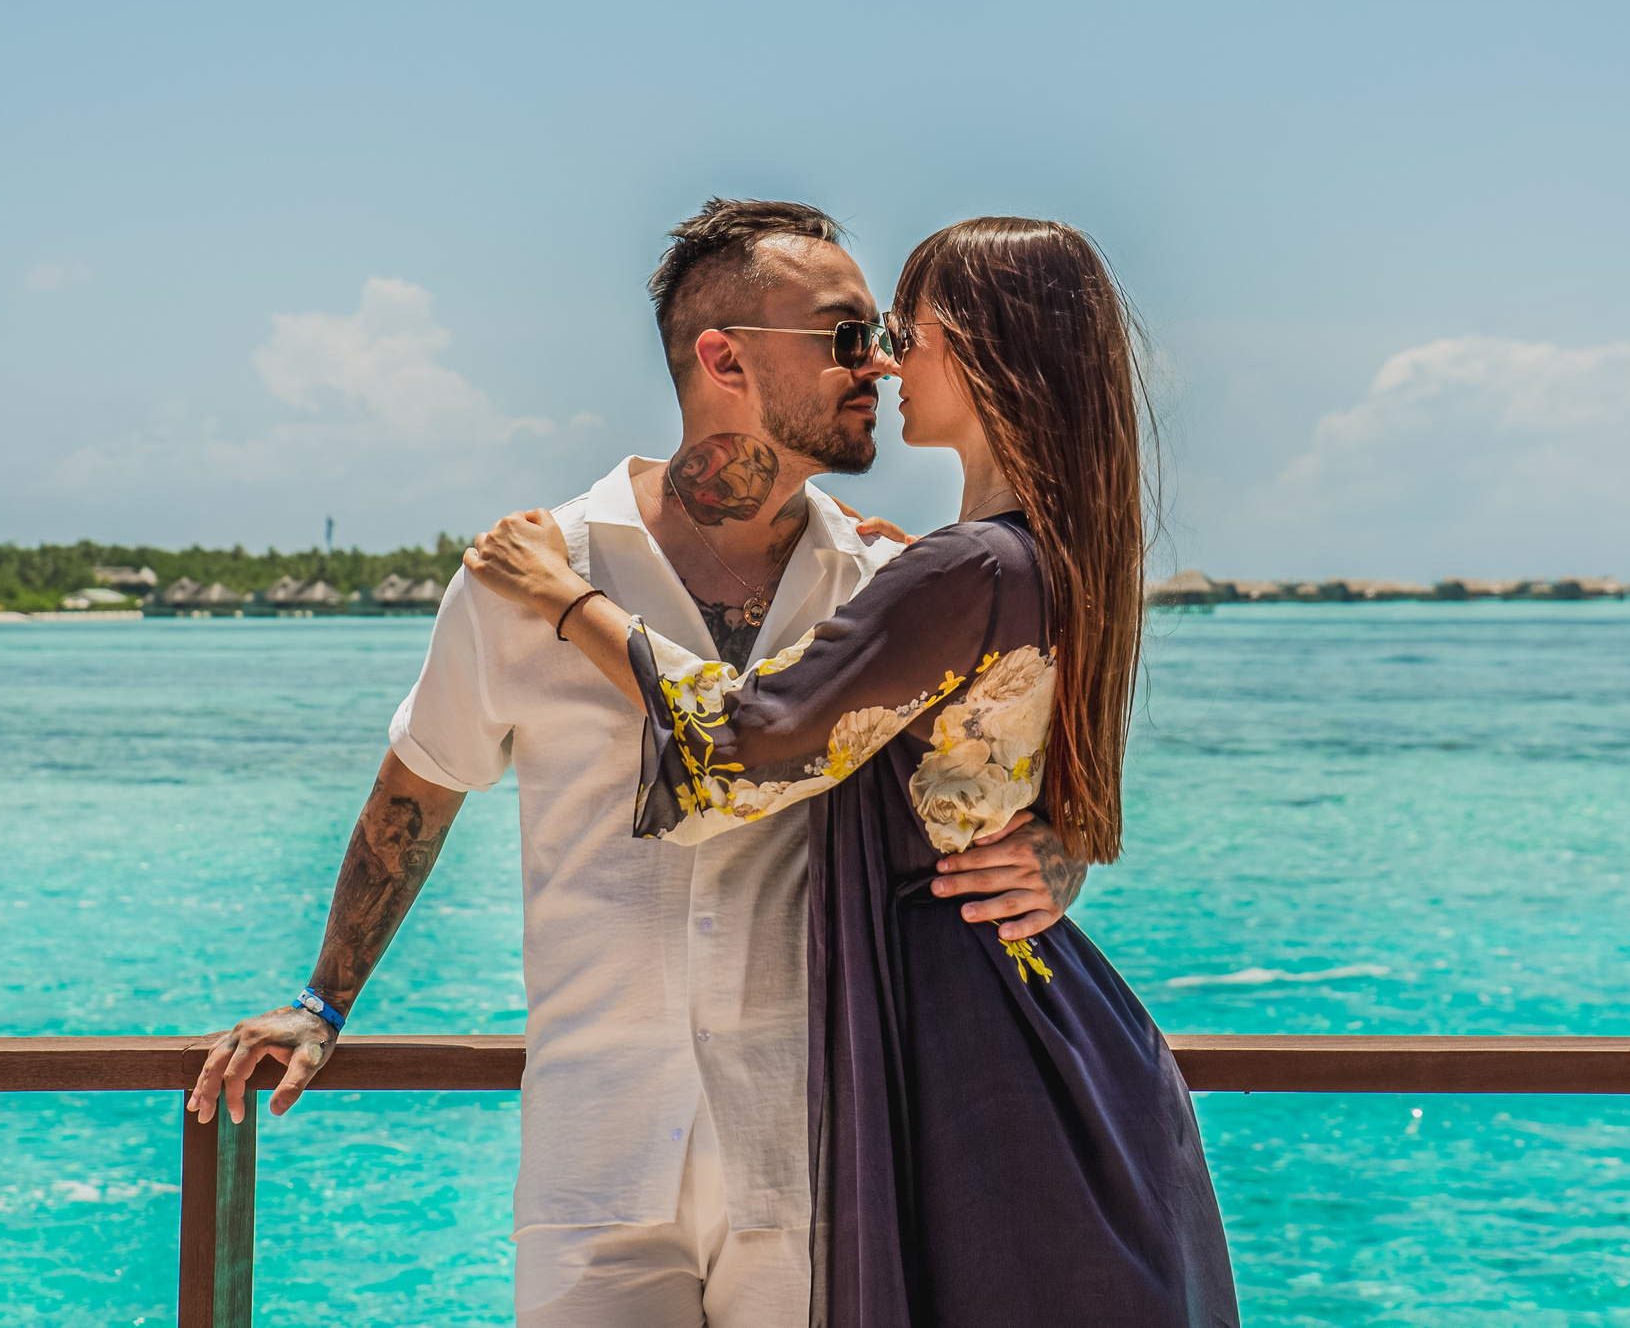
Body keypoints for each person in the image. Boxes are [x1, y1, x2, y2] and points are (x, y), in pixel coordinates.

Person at [188, 200, 1087, 1328]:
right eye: (848, 335)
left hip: (815, 1161)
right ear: (725, 357)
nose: (882, 363)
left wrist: (1059, 855)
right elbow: (419, 785)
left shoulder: (881, 583)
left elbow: (987, 785)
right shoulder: (531, 570)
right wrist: (322, 1001)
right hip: (594, 1164)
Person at [469, 216, 1240, 1327]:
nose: (882, 361)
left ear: (980, 351)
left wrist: (566, 601)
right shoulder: (1045, 553)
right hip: (1036, 1016)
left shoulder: (968, 565)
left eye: (901, 333)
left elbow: (739, 755)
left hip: (967, 1039)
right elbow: (1022, 787)